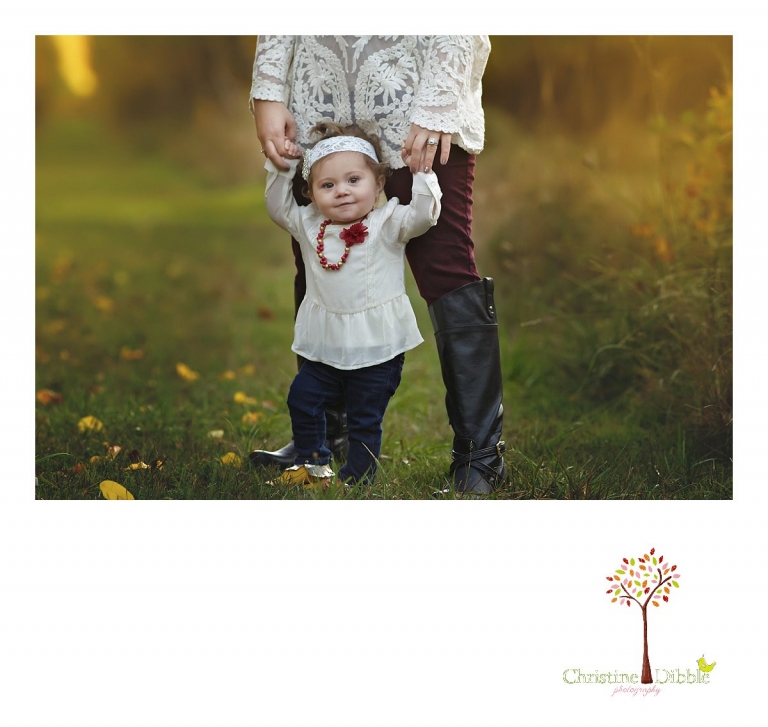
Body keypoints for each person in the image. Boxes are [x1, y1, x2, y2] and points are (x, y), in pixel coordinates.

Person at [249, 36, 506, 495]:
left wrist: (438, 102)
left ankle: (480, 454)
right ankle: (324, 438)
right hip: (319, 87)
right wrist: (268, 90)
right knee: (317, 258)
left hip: (413, 93)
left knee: (446, 265)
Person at [264, 121, 441, 486]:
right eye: (327, 185)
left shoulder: (387, 223)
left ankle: (357, 479)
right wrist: (280, 166)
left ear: (378, 184)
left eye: (353, 181)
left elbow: (424, 215)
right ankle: (314, 465)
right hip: (325, 347)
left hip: (378, 348)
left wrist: (421, 173)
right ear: (311, 194)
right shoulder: (309, 224)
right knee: (303, 398)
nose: (341, 191)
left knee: (364, 417)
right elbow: (277, 208)